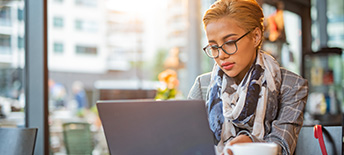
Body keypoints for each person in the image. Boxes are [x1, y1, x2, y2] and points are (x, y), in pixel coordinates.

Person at [187, 0, 308, 155]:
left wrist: (251, 144)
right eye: (214, 47)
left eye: (230, 42)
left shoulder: (291, 85)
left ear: (256, 36)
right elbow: (187, 143)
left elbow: (283, 147)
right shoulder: (202, 86)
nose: (221, 55)